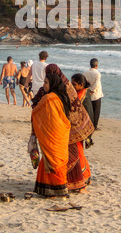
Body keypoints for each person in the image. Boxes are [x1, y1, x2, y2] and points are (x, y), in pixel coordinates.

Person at [32, 64, 94, 194]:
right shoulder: (67, 88)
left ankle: (66, 184)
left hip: (62, 129)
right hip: (68, 128)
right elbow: (76, 107)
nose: (45, 80)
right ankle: (72, 184)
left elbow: (36, 105)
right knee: (69, 157)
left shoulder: (52, 92)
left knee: (62, 158)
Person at [32, 73, 71, 198]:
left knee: (52, 160)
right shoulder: (63, 96)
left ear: (53, 84)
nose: (43, 85)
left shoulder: (48, 98)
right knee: (56, 160)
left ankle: (54, 189)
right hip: (61, 134)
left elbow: (36, 113)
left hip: (53, 134)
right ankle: (56, 188)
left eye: (46, 82)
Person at [83, 58, 104, 131]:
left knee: (89, 110)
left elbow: (85, 82)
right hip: (96, 94)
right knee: (96, 111)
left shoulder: (85, 72)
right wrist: (92, 91)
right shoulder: (97, 73)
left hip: (88, 92)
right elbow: (96, 84)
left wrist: (88, 90)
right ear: (96, 65)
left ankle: (88, 124)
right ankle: (94, 126)